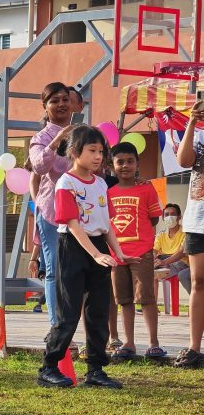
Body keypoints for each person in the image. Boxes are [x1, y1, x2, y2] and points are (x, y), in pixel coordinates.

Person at [39, 125, 134, 389]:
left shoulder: (102, 183)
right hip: (73, 247)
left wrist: (119, 252)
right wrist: (95, 255)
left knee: (98, 312)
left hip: (99, 248)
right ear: (74, 152)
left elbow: (107, 225)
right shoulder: (65, 182)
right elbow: (72, 224)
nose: (98, 157)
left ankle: (95, 370)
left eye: (101, 151)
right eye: (92, 150)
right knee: (68, 313)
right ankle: (48, 367)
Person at [106, 142, 164, 361]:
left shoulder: (147, 189)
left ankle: (153, 343)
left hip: (141, 254)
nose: (125, 166)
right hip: (117, 256)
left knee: (147, 298)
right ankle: (128, 342)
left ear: (137, 163)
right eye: (120, 162)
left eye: (130, 161)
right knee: (124, 300)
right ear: (112, 165)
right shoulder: (108, 192)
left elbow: (154, 218)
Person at [29, 82, 75, 328]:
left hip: (83, 211)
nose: (61, 105)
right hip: (52, 212)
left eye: (65, 99)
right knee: (56, 270)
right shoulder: (41, 138)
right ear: (45, 106)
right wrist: (58, 139)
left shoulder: (82, 132)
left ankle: (80, 327)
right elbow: (39, 167)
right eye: (54, 100)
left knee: (80, 272)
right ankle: (57, 328)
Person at [175, 99, 204, 368]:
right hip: (198, 219)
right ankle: (195, 347)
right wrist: (192, 122)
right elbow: (184, 160)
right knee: (198, 282)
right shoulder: (198, 133)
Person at [153, 203, 191, 294]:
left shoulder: (185, 232)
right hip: (164, 262)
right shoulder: (161, 234)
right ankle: (152, 307)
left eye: (173, 214)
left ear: (179, 217)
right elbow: (154, 250)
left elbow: (181, 253)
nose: (169, 217)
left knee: (153, 273)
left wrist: (163, 262)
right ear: (163, 218)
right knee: (148, 269)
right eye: (166, 215)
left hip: (181, 262)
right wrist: (153, 258)